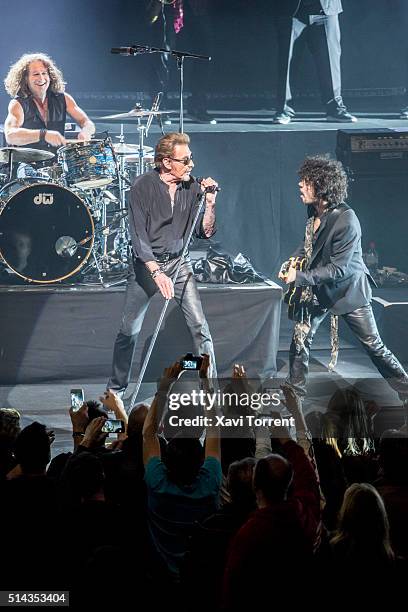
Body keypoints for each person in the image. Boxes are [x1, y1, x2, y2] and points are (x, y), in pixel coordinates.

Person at [279, 156, 408, 407]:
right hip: (321, 287)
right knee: (300, 338)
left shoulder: (346, 220)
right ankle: (294, 393)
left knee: (373, 346)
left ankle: (405, 388)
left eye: (306, 182)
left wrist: (301, 277)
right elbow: (310, 246)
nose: (300, 186)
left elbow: (339, 269)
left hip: (349, 291)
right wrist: (292, 261)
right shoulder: (314, 210)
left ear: (322, 185)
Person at [108, 132, 218, 397]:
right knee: (128, 330)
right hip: (147, 268)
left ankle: (211, 392)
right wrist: (156, 273)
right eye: (186, 160)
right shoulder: (141, 186)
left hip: (179, 265)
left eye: (191, 159)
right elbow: (139, 238)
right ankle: (116, 390)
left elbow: (205, 232)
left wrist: (211, 204)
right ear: (167, 162)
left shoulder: (192, 188)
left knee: (200, 327)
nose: (191, 165)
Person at [272, 0, 356, 124]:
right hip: (292, 10)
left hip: (326, 10)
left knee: (330, 63)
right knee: (287, 62)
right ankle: (283, 109)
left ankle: (335, 109)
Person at [3, 52, 95, 156]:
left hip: (56, 164)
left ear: (50, 76)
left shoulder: (63, 98)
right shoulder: (18, 104)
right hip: (26, 166)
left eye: (44, 73)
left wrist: (86, 131)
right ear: (25, 79)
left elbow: (87, 122)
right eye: (36, 74)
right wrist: (44, 134)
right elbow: (10, 135)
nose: (41, 78)